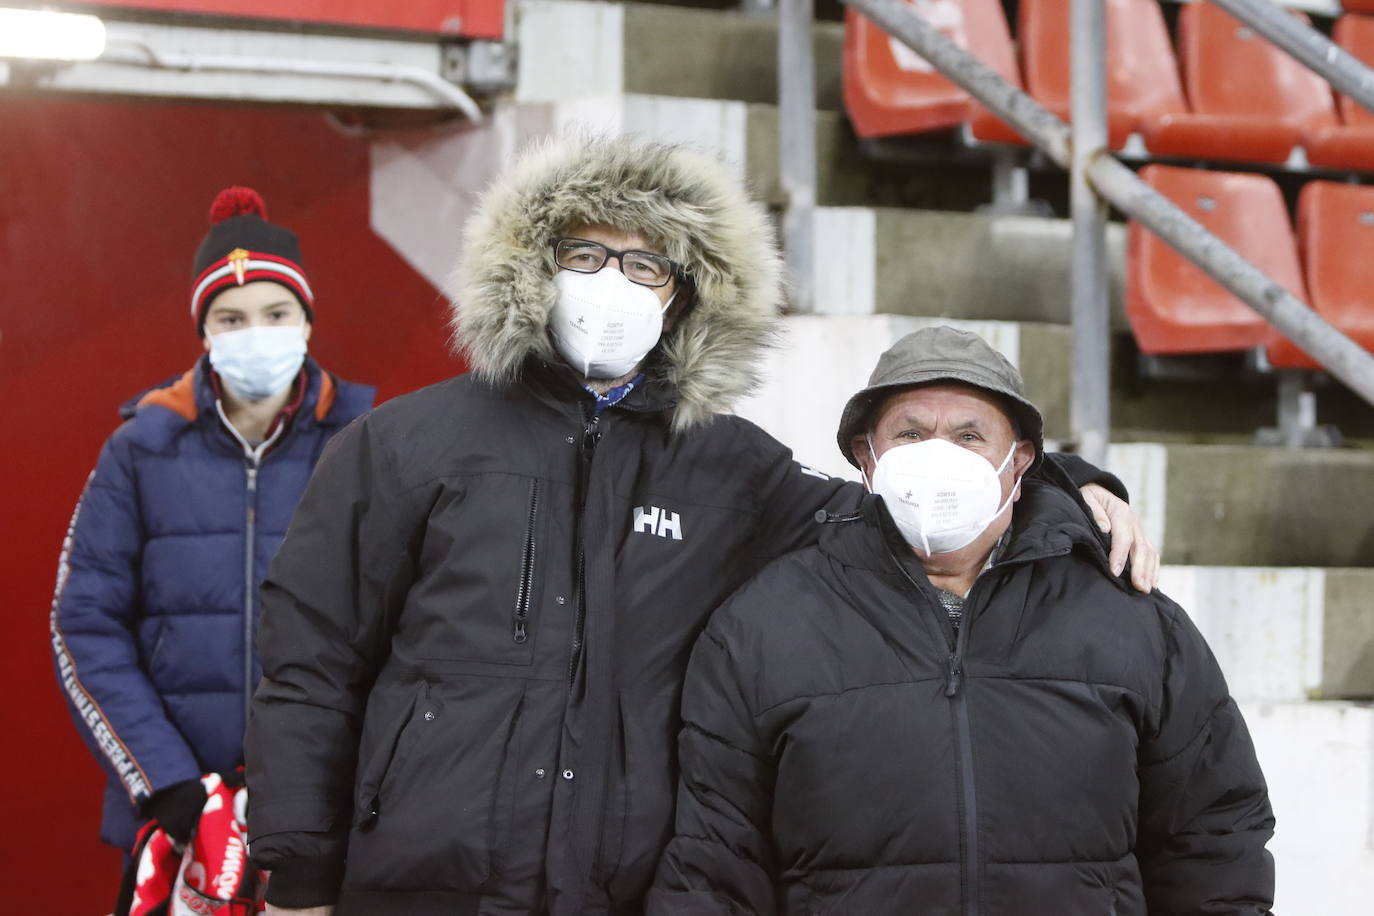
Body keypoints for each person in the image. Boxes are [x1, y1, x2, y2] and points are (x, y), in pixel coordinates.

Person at [243, 135, 1158, 915]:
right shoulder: (406, 443)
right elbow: (311, 664)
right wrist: (298, 873)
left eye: (645, 264)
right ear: (534, 265)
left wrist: (1061, 484)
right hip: (421, 885)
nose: (613, 282)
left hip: (627, 889)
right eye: (585, 254)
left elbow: (906, 508)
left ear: (682, 296)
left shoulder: (735, 469)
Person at [649, 326, 1275, 914]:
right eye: (911, 435)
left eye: (971, 437)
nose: (938, 457)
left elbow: (1214, 843)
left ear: (1021, 461)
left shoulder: (1132, 621)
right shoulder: (763, 628)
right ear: (866, 457)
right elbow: (715, 868)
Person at [50, 187, 375, 858]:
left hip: (329, 815)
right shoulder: (142, 447)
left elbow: (409, 626)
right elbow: (83, 623)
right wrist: (167, 781)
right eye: (231, 318)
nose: (255, 333)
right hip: (178, 815)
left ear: (308, 321)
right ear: (203, 331)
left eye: (276, 312)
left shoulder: (369, 442)